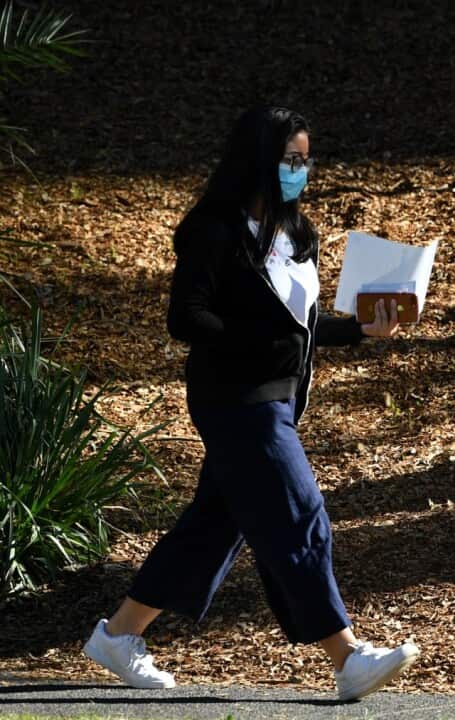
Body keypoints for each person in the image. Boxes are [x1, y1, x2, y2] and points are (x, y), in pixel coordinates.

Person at [81, 106, 418, 701]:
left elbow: (300, 324)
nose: (301, 170)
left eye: (305, 159)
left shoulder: (298, 232)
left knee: (215, 524)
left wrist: (363, 329)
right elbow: (186, 317)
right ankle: (345, 657)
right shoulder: (213, 229)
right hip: (235, 398)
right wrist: (253, 340)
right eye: (291, 159)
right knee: (299, 509)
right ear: (258, 159)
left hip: (283, 400)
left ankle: (119, 634)